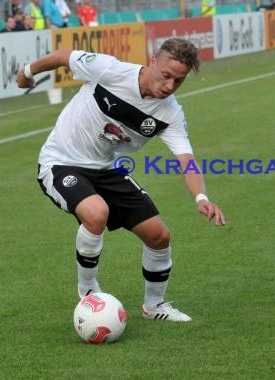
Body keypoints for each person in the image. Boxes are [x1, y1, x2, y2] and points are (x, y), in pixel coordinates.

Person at [16, 38, 227, 321]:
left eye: (179, 81)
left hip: (104, 168)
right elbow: (64, 56)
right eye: (166, 75)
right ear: (153, 61)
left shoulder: (170, 114)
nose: (169, 86)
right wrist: (27, 72)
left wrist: (201, 198)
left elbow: (186, 159)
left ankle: (154, 306)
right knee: (96, 213)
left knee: (159, 235)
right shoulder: (110, 71)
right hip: (60, 162)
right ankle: (88, 291)